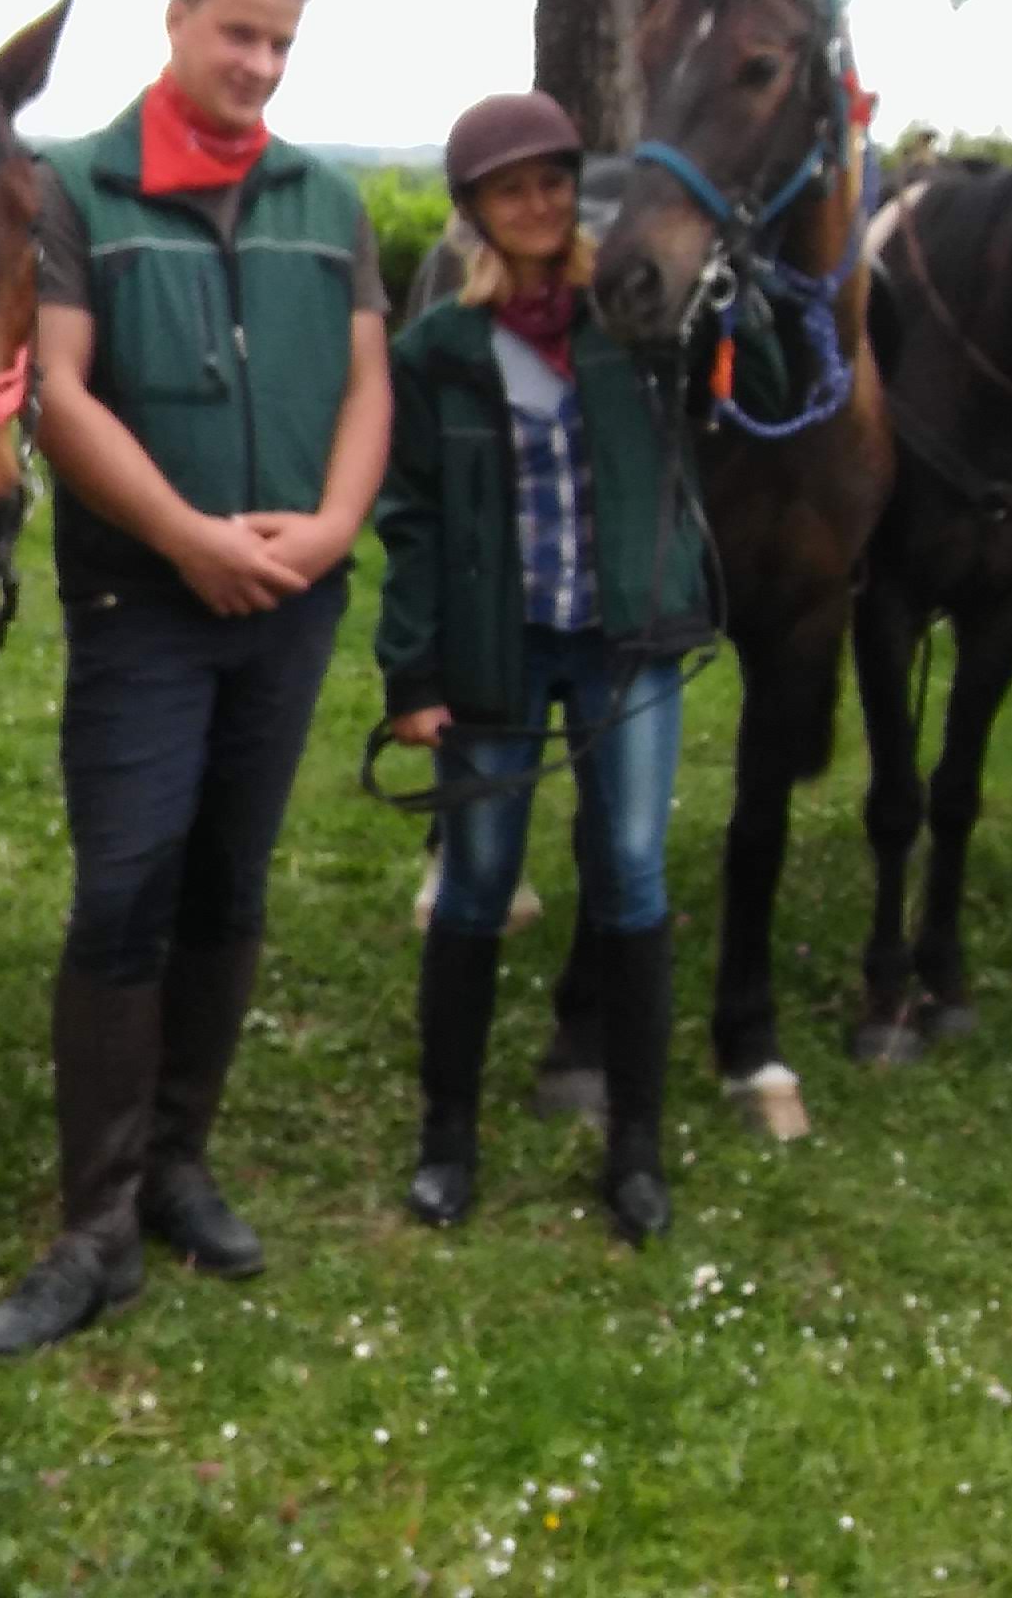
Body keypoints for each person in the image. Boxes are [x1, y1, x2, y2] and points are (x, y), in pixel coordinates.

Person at [0, 0, 392, 1360]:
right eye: (238, 33)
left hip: (290, 603)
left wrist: (332, 530)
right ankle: (94, 1225)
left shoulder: (326, 202)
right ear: (177, 18)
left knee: (228, 881)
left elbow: (367, 382)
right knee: (125, 889)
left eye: (281, 43)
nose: (258, 64)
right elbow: (58, 389)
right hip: (143, 604)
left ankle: (177, 1165)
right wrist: (186, 539)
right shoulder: (77, 189)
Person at [375, 91, 785, 1244]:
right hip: (496, 647)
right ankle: (447, 1141)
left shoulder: (639, 320)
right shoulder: (439, 352)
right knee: (476, 880)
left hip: (626, 640)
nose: (539, 204)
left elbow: (761, 398)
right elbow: (410, 520)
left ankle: (635, 1150)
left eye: (553, 180)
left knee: (633, 873)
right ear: (474, 212)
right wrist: (413, 675)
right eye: (510, 189)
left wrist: (743, 292)